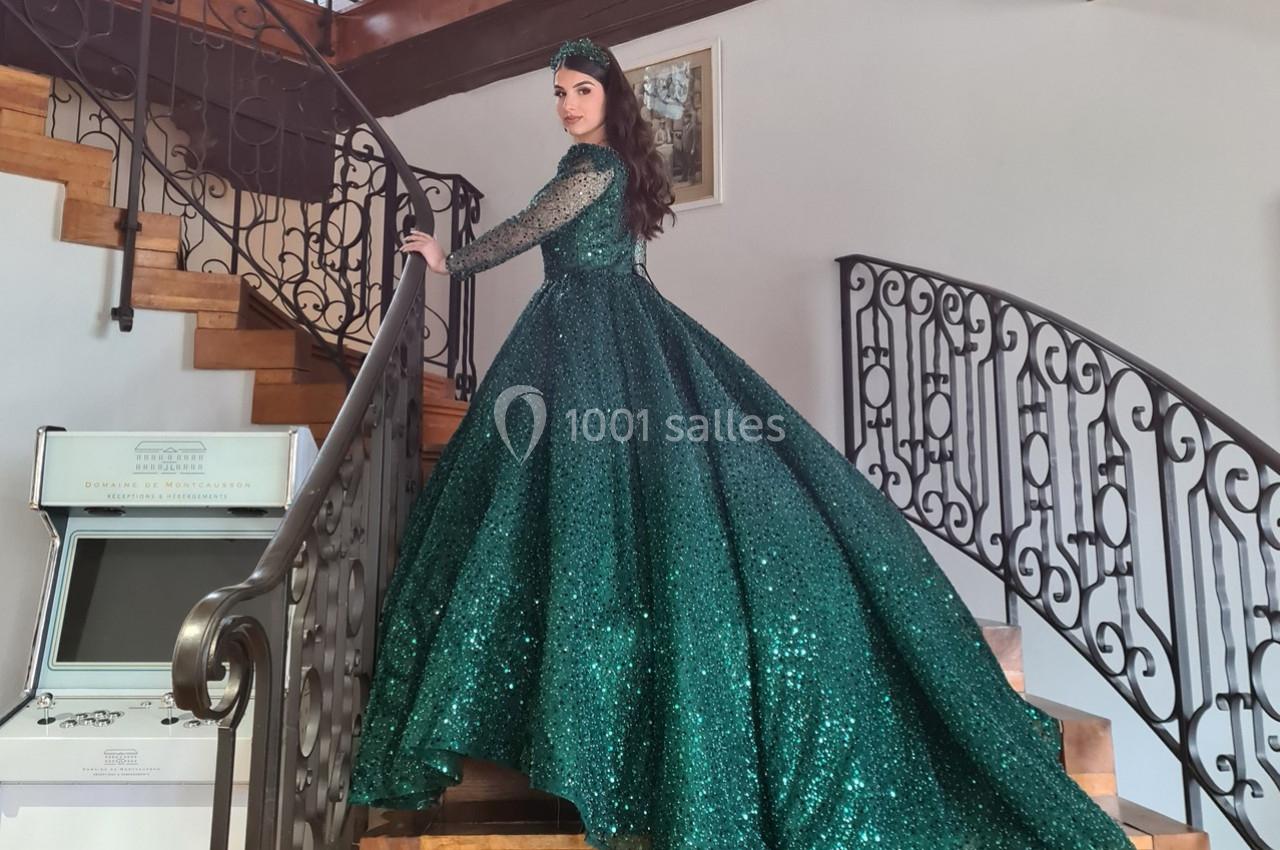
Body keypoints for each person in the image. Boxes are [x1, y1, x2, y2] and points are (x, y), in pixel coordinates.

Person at [348, 37, 1135, 850]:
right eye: (558, 93)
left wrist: (453, 261)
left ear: (609, 97)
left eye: (581, 90)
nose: (567, 104)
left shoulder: (595, 169)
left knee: (600, 489)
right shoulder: (604, 164)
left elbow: (533, 226)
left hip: (588, 332)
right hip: (596, 329)